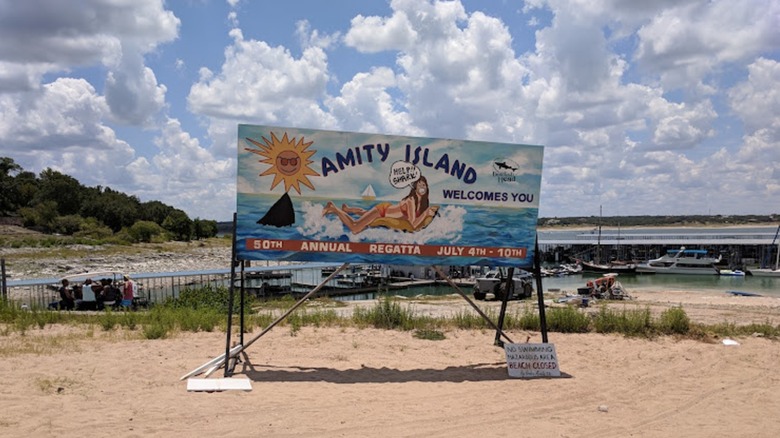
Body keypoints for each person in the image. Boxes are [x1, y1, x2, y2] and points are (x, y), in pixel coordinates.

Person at [323, 176, 437, 234]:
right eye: (420, 185)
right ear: (415, 187)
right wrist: (426, 214)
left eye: (424, 185)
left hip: (387, 210)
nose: (422, 188)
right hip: (382, 211)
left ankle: (347, 209)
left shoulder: (421, 203)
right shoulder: (411, 201)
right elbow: (413, 224)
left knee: (365, 214)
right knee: (355, 227)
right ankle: (333, 208)